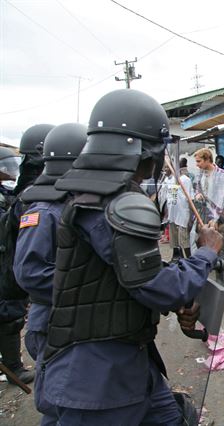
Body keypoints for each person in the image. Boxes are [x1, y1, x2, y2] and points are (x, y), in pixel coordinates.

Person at [41, 89, 223, 424]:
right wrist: (206, 253)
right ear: (147, 151)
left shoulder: (94, 195)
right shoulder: (115, 203)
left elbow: (130, 272)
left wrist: (177, 299)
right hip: (99, 378)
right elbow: (155, 284)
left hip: (126, 363)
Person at [13, 123, 87, 424]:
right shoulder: (44, 210)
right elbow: (29, 273)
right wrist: (85, 285)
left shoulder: (69, 202)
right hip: (51, 323)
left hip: (68, 320)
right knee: (59, 405)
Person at [0, 124, 53, 390]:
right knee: (9, 313)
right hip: (9, 266)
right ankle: (14, 368)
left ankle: (13, 366)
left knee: (10, 314)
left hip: (11, 264)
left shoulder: (23, 193)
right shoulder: (33, 196)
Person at [194, 147, 224, 261]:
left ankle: (221, 264)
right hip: (204, 213)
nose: (197, 164)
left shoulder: (221, 174)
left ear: (207, 159)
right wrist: (198, 194)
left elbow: (223, 198)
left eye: (199, 161)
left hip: (219, 215)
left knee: (220, 240)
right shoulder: (200, 174)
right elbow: (197, 189)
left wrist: (216, 218)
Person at [167, 165, 194, 259]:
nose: (165, 169)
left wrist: (191, 215)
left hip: (182, 215)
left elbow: (190, 198)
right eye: (164, 167)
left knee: (184, 240)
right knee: (175, 241)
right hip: (172, 215)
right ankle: (179, 259)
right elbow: (169, 198)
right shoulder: (169, 180)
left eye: (167, 167)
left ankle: (190, 260)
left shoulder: (185, 180)